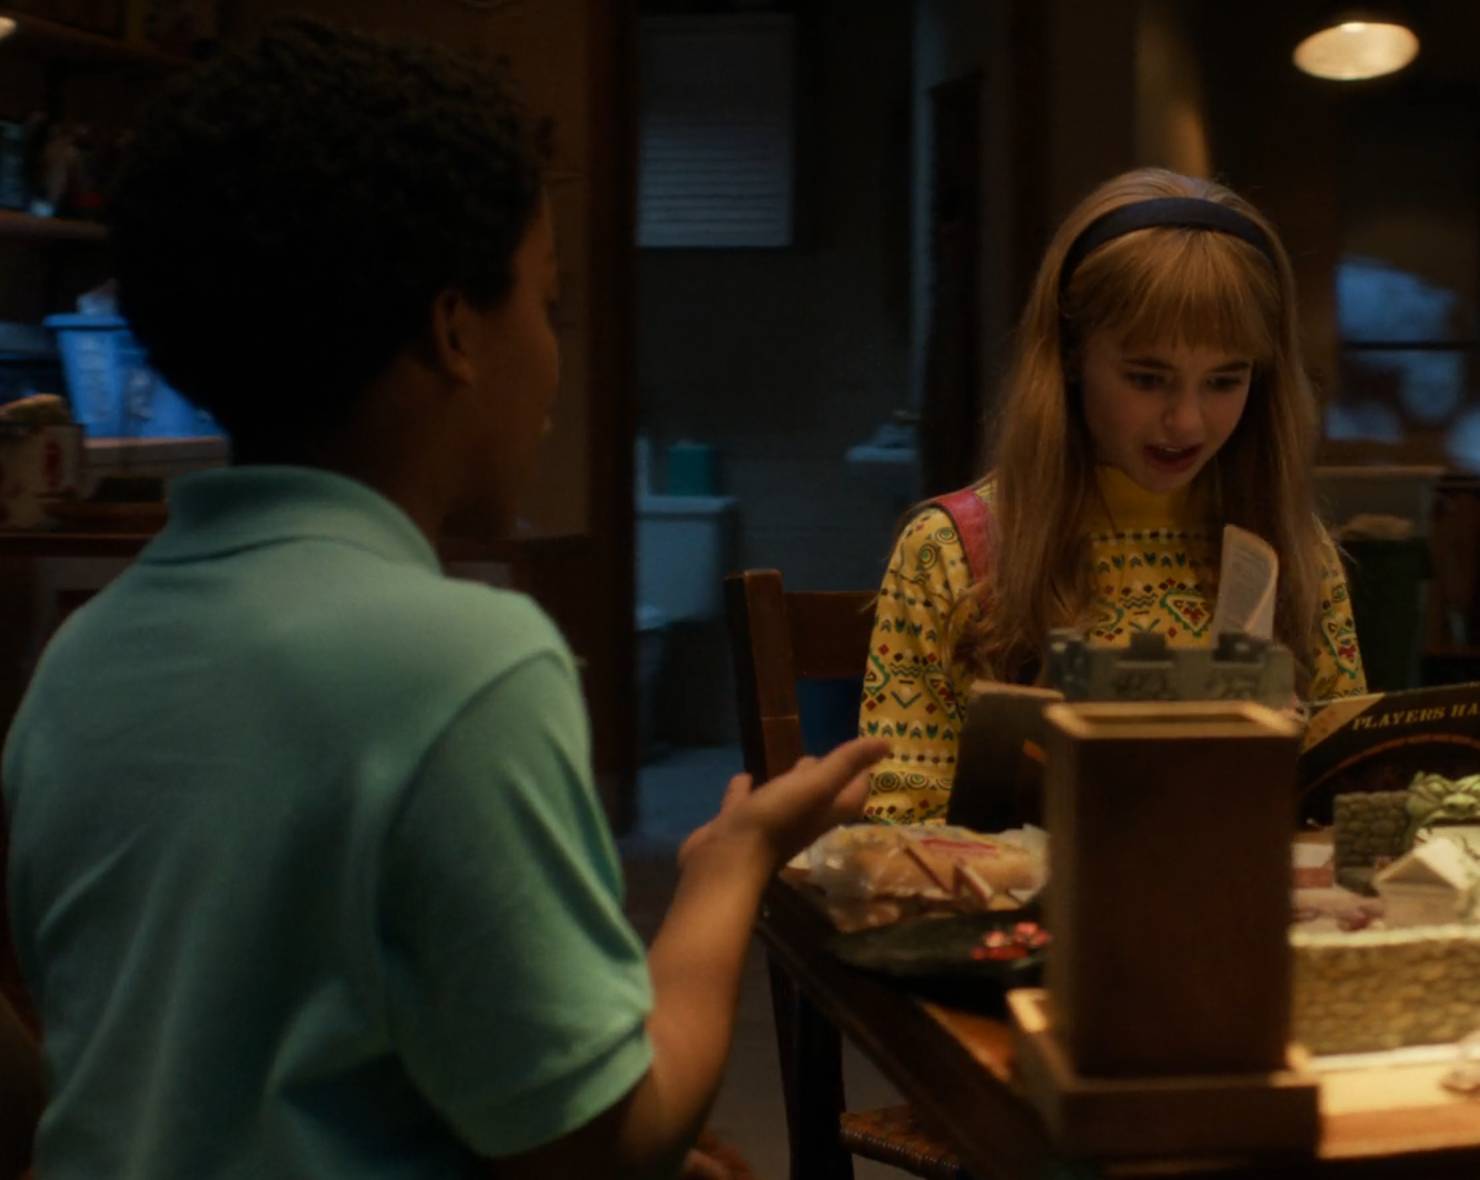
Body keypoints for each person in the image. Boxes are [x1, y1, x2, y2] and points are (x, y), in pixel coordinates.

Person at [0, 20, 885, 1179]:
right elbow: (603, 1140)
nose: (554, 360)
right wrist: (731, 863)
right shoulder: (465, 664)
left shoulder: (79, 660)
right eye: (546, 304)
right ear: (456, 328)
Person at [861, 167, 1366, 825]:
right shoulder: (949, 551)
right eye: (1147, 378)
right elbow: (901, 819)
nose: (1186, 422)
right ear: (1071, 355)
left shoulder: (1293, 546)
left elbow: (1346, 802)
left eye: (1224, 381)